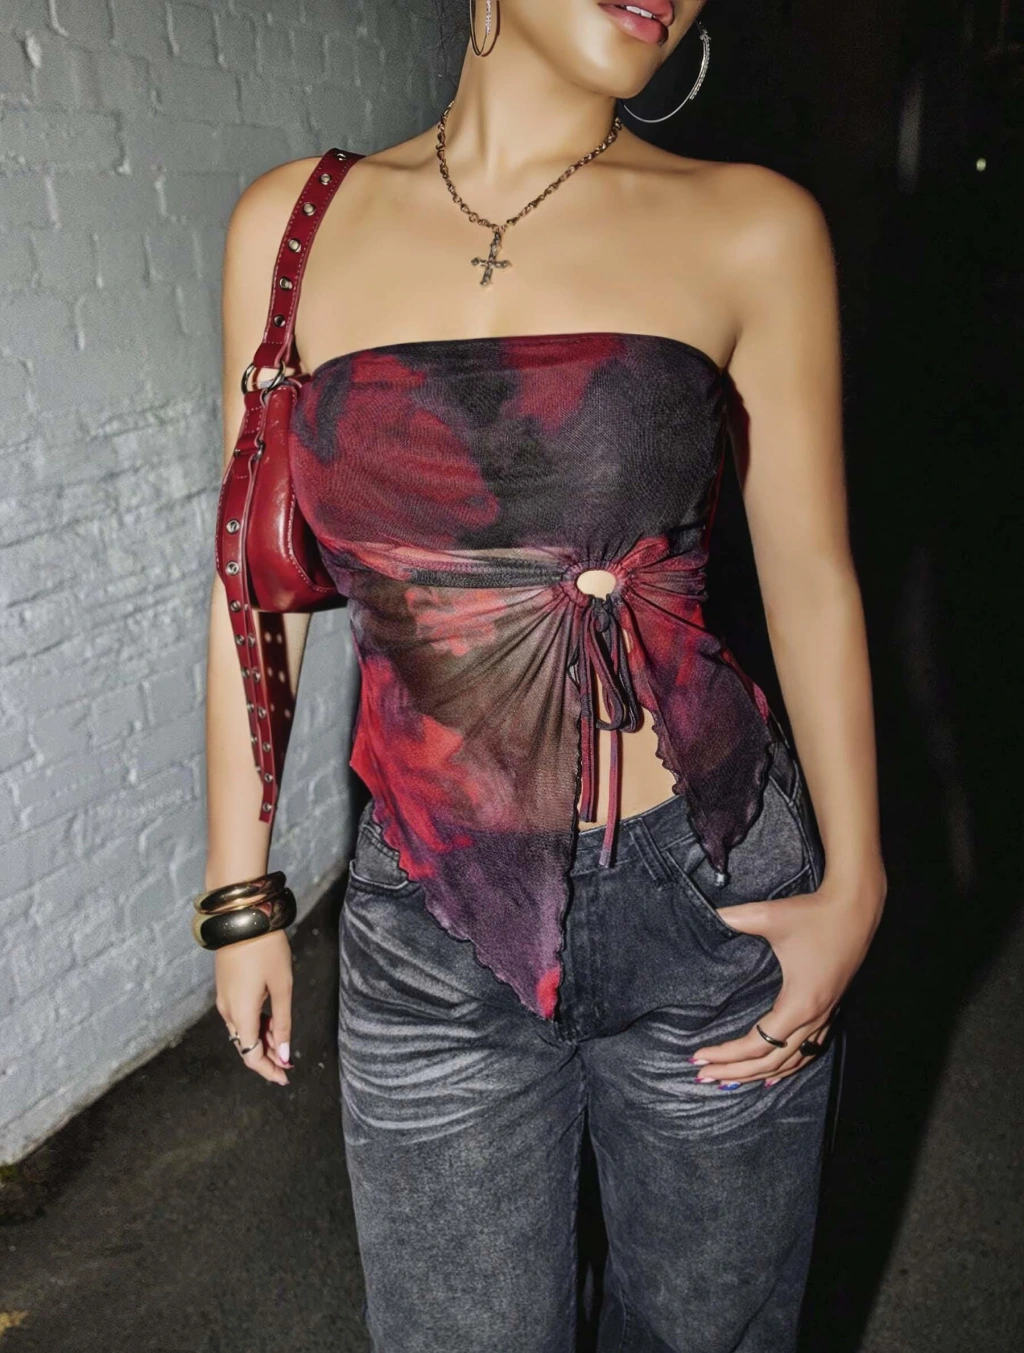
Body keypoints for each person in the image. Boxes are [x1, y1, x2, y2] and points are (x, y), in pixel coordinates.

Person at [202, 1, 887, 1349]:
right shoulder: (295, 226)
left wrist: (855, 883)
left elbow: (811, 575)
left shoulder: (752, 226)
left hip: (717, 893)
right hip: (433, 913)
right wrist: (240, 894)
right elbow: (249, 589)